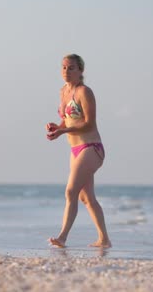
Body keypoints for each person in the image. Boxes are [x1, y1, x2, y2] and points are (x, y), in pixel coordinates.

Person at [45, 54, 111, 248]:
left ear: (81, 70)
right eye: (64, 67)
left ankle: (62, 237)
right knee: (86, 197)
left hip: (92, 148)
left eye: (72, 68)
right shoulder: (63, 92)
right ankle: (104, 239)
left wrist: (64, 130)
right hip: (75, 149)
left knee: (70, 191)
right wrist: (57, 129)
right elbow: (68, 120)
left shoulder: (84, 92)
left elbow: (89, 124)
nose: (67, 71)